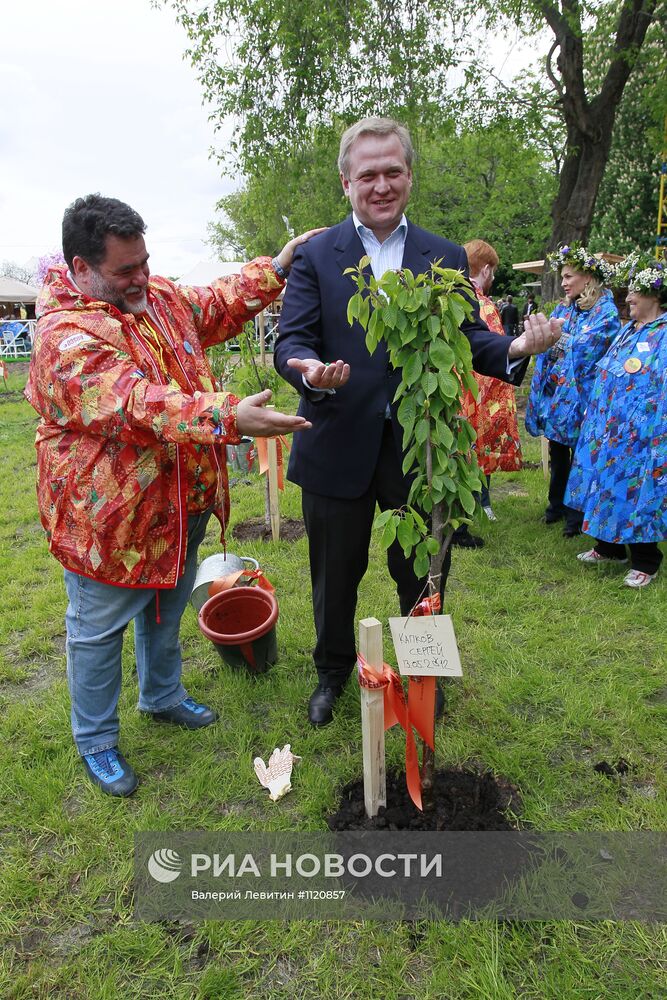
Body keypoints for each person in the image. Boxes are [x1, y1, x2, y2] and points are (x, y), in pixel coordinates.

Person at [25, 194, 318, 796]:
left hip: (180, 499)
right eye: (125, 271)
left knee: (166, 605)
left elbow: (211, 305)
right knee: (98, 629)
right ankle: (97, 740)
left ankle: (161, 695)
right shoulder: (65, 335)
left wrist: (278, 267)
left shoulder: (154, 297)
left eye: (145, 263)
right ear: (81, 268)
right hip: (109, 521)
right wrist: (227, 417)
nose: (141, 279)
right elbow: (136, 403)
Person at [273, 116, 562, 726]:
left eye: (393, 172)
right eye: (368, 174)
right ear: (346, 182)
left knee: (424, 567)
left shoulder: (444, 254)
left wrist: (515, 349)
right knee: (334, 574)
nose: (382, 185)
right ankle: (331, 675)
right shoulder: (317, 256)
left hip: (421, 444)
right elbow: (292, 339)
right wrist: (307, 370)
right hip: (335, 438)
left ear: (409, 176)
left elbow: (470, 339)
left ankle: (423, 669)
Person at [567, 251, 666, 588]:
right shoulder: (630, 330)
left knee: (638, 492)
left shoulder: (663, 333)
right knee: (605, 486)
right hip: (610, 429)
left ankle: (646, 561)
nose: (629, 298)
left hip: (644, 433)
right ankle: (608, 548)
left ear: (654, 295)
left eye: (635, 293)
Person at [525, 243, 621, 536]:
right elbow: (550, 345)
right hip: (559, 394)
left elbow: (591, 347)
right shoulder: (563, 308)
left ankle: (575, 516)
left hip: (584, 396)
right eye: (563, 277)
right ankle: (555, 506)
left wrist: (563, 340)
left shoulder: (605, 311)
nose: (564, 283)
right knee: (558, 450)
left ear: (588, 279)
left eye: (569, 277)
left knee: (582, 454)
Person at [462, 240, 522, 521]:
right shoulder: (481, 304)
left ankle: (476, 502)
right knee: (476, 447)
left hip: (457, 395)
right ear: (485, 269)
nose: (494, 278)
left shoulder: (452, 298)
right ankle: (477, 502)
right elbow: (493, 357)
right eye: (494, 271)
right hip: (477, 397)